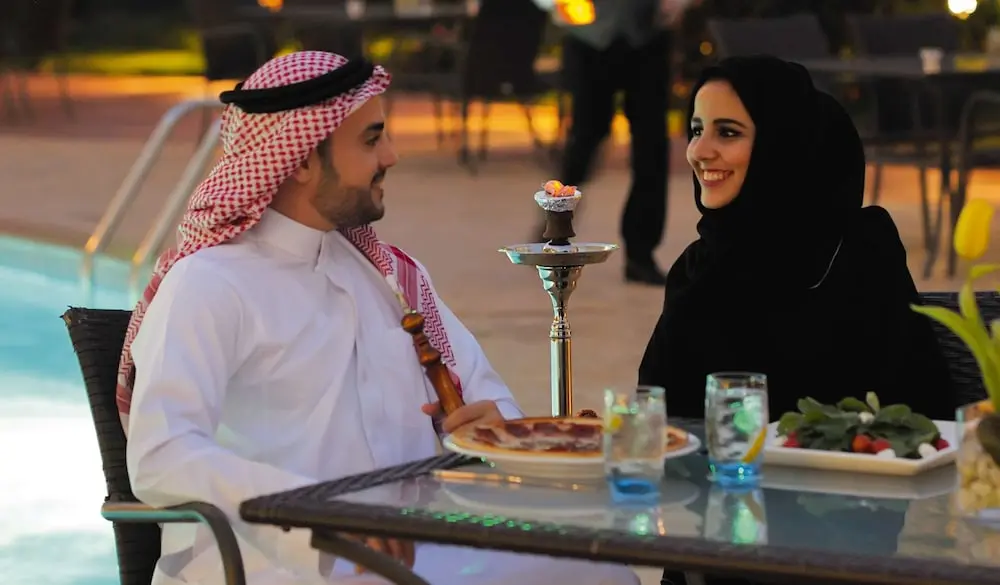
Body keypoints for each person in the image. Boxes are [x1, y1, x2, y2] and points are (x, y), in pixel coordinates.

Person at [118, 51, 638, 585]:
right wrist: (312, 517)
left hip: (413, 546)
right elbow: (162, 454)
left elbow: (485, 399)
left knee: (605, 575)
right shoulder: (209, 284)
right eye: (371, 140)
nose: (391, 155)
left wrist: (493, 435)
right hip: (272, 564)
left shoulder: (391, 277)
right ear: (301, 159)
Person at [637, 55, 954, 432]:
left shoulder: (861, 252)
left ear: (781, 143)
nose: (698, 152)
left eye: (728, 132)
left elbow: (919, 420)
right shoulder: (698, 269)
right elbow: (657, 426)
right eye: (696, 130)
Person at [531, 0, 699, 285]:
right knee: (583, 141)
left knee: (651, 147)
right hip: (590, 40)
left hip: (648, 37)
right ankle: (554, 228)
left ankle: (640, 255)